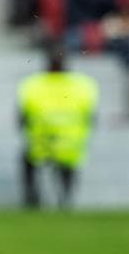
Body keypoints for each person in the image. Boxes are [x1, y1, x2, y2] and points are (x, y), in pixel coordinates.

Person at [18, 51, 98, 208]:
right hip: (71, 143)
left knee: (28, 161)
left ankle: (32, 198)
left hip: (40, 142)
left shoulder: (33, 84)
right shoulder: (83, 85)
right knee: (68, 166)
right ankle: (66, 198)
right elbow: (91, 117)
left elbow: (21, 118)